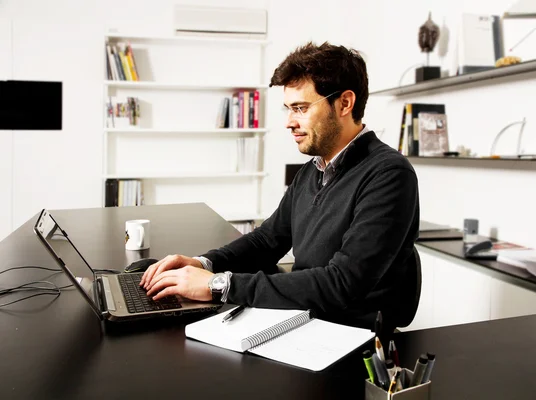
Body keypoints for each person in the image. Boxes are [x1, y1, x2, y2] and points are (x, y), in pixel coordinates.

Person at [140, 41, 420, 335]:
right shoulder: (313, 170)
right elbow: (268, 240)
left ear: (345, 104)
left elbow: (342, 284)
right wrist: (205, 263)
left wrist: (218, 285)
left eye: (300, 108)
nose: (289, 122)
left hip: (350, 334)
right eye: (288, 109)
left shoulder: (388, 174)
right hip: (307, 317)